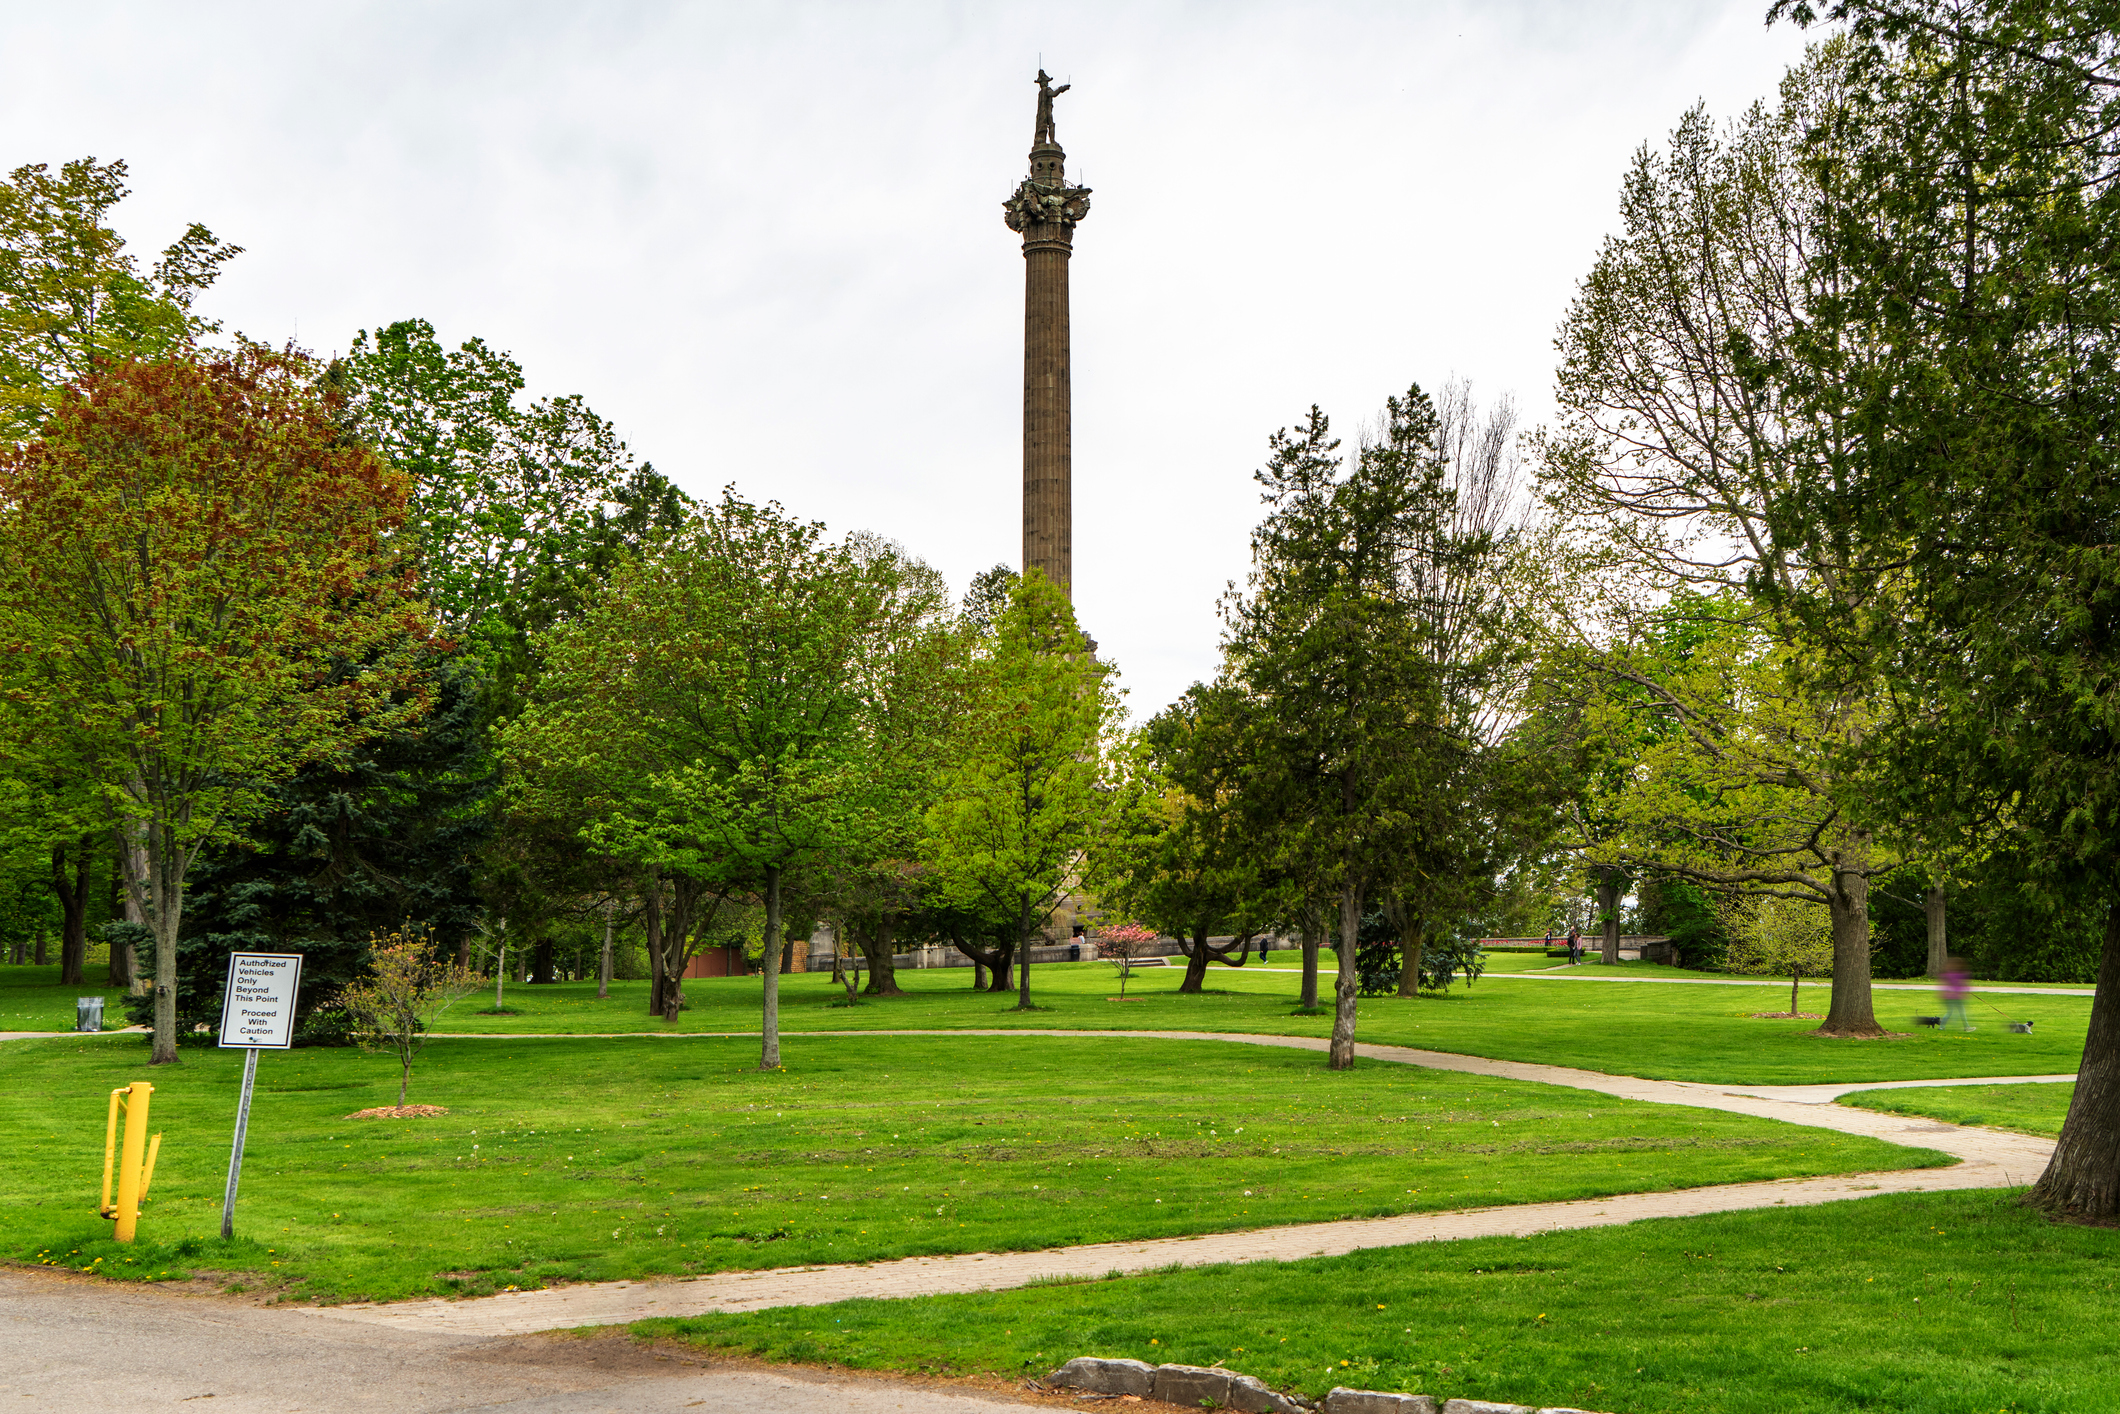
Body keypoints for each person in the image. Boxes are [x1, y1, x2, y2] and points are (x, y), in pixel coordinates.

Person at [1941, 957, 1974, 1031]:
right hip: (1956, 997)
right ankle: (1966, 1027)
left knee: (1950, 1012)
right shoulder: (1959, 974)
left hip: (1949, 997)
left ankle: (1942, 1026)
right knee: (1961, 1012)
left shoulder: (1949, 974)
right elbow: (1961, 984)